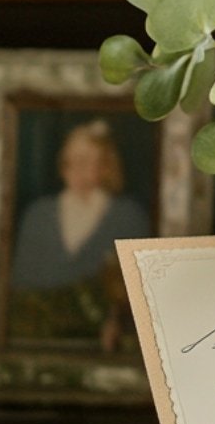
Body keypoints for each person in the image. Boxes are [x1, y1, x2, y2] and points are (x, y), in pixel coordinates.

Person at [8, 118, 150, 345]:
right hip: (40, 339)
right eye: (69, 161)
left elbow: (138, 296)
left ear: (106, 165)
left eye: (86, 160)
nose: (76, 169)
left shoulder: (128, 216)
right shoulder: (38, 214)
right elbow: (20, 286)